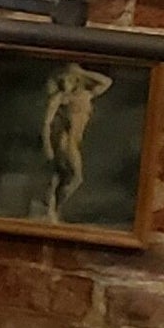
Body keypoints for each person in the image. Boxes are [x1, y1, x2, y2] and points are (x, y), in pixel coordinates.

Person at [39, 59, 114, 222]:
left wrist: (81, 72)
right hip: (65, 139)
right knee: (73, 176)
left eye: (68, 79)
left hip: (76, 141)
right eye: (62, 80)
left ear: (75, 80)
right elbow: (46, 123)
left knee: (65, 177)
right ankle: (54, 209)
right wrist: (47, 146)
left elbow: (107, 82)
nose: (64, 83)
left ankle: (53, 209)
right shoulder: (60, 98)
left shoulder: (86, 95)